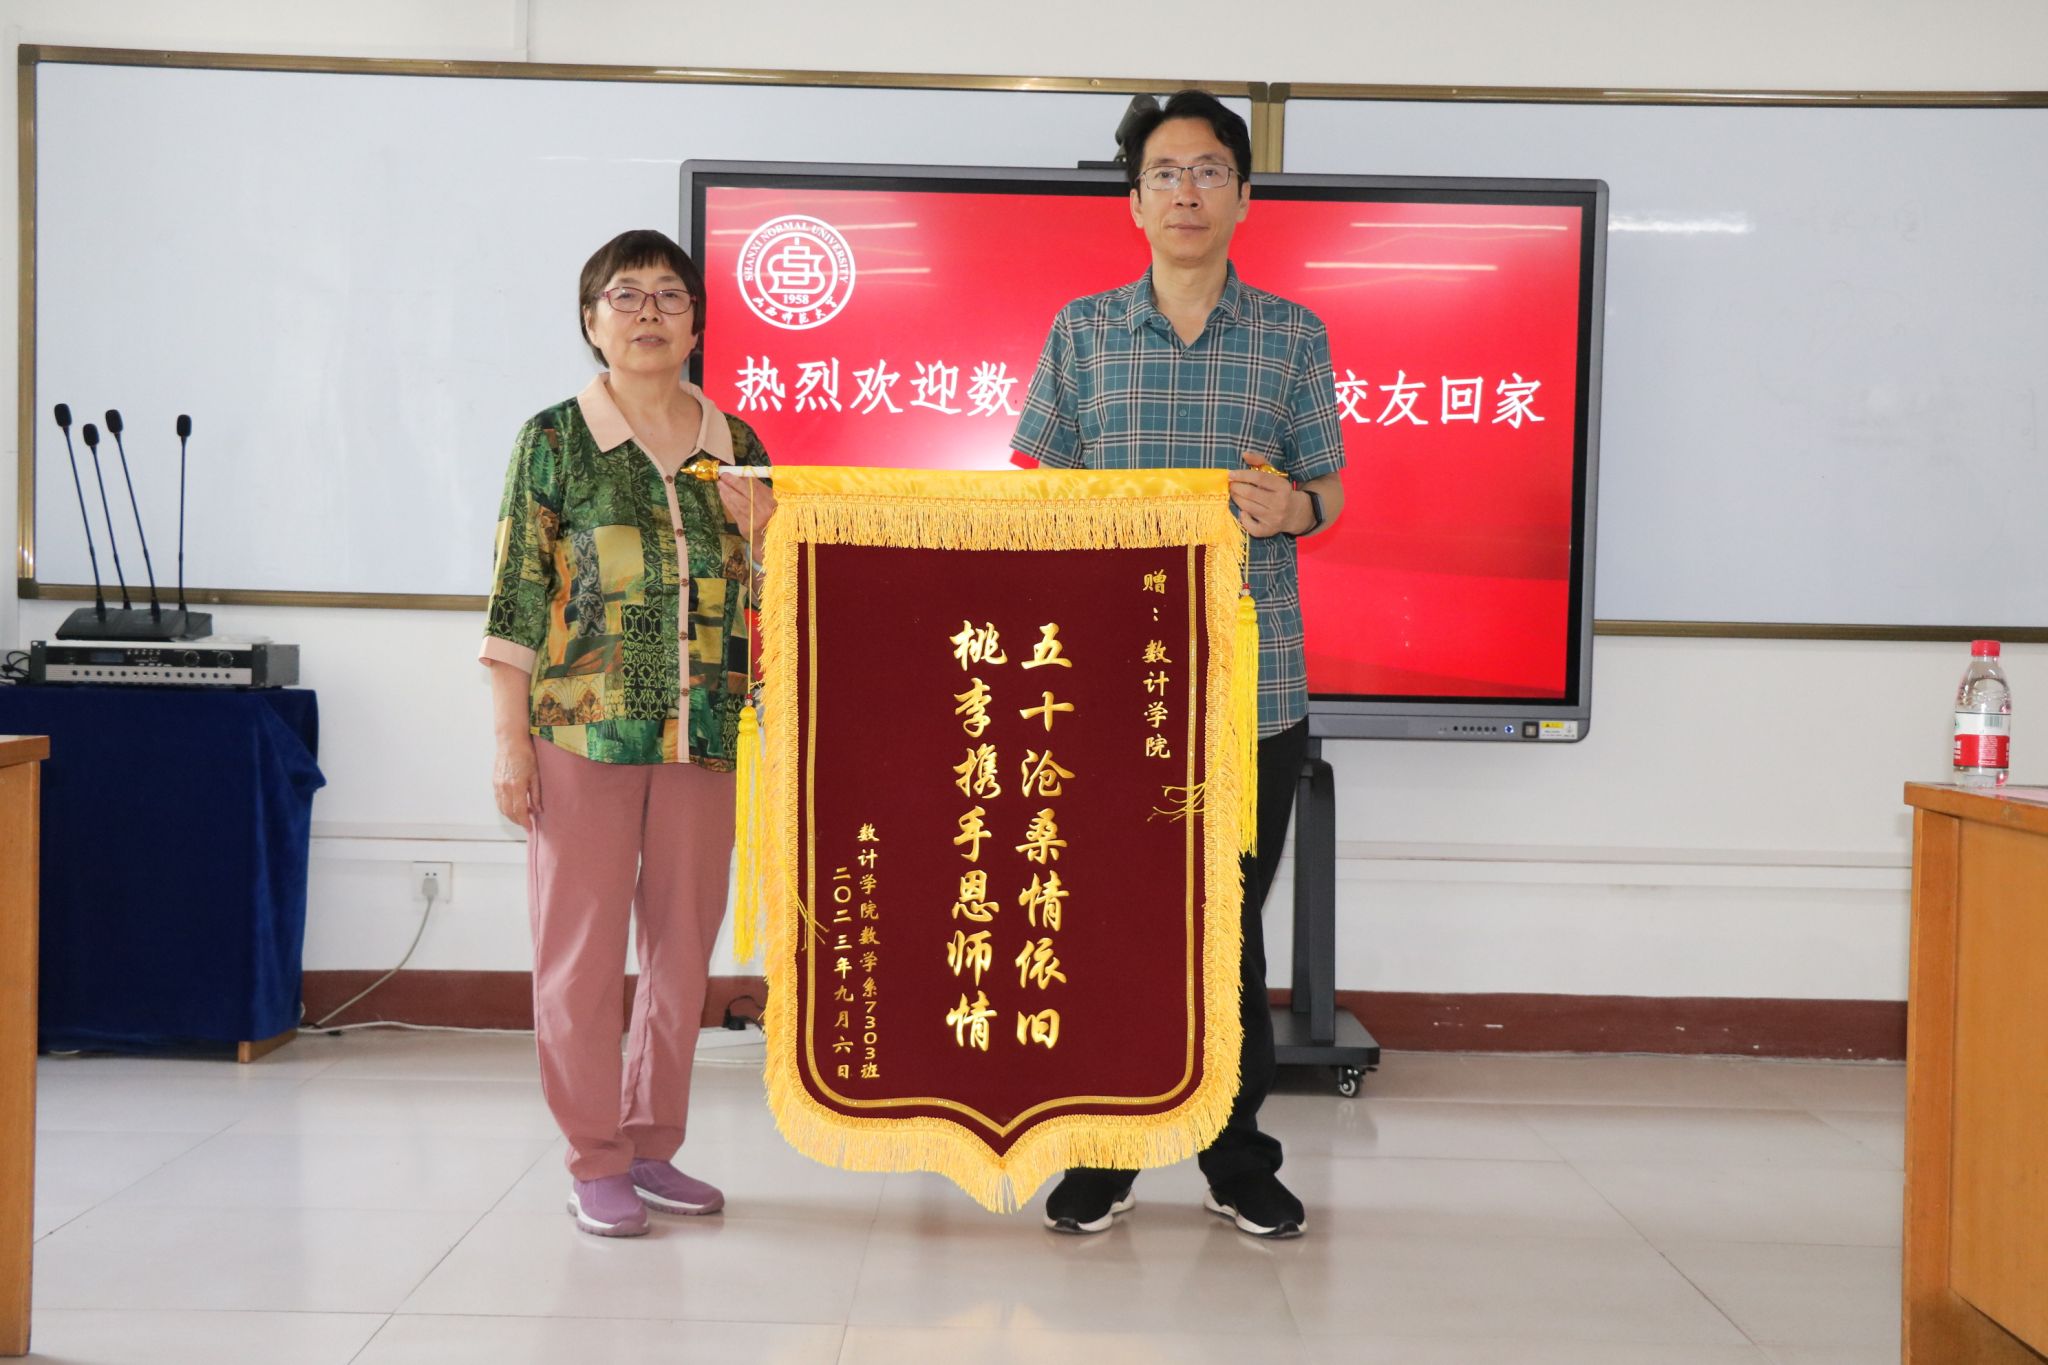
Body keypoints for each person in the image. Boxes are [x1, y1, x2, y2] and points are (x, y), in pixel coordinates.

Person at [1011, 90, 1346, 1240]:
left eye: (1208, 171)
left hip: (1253, 686)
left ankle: (1233, 1155)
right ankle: (1105, 1150)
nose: (1186, 192)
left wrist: (1292, 507)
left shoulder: (1291, 335)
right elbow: (1035, 491)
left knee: (1226, 926)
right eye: (1164, 172)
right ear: (1133, 200)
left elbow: (1327, 489)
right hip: (1109, 685)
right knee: (1111, 920)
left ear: (1243, 196)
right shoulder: (1082, 332)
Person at [480, 229, 776, 1238]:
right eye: (626, 295)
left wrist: (770, 533)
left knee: (684, 949)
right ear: (590, 320)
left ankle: (652, 1145)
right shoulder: (555, 439)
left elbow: (778, 597)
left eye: (669, 296)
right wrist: (510, 741)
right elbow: (516, 597)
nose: (649, 312)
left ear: (696, 324)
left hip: (705, 734)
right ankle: (594, 1157)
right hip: (581, 733)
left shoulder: (738, 442)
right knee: (580, 955)